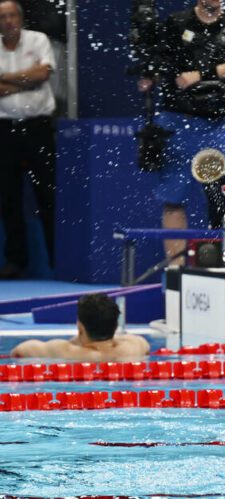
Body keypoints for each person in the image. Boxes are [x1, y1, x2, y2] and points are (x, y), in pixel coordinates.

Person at [139, 0, 225, 265]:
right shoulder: (175, 24)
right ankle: (176, 270)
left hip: (220, 125)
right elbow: (157, 64)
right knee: (173, 198)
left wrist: (202, 74)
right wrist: (149, 75)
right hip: (178, 122)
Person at [0, 0, 56, 279]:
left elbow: (43, 74)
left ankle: (57, 257)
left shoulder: (39, 39)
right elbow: (33, 77)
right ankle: (15, 261)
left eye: (12, 15)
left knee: (47, 193)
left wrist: (6, 79)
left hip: (38, 128)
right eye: (3, 17)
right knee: (8, 197)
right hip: (4, 130)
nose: (8, 21)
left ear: (21, 18)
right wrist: (27, 78)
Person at [10, 293, 150, 361]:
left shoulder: (62, 351)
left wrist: (75, 340)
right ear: (116, 326)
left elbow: (19, 351)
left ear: (80, 327)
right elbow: (146, 347)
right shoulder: (134, 346)